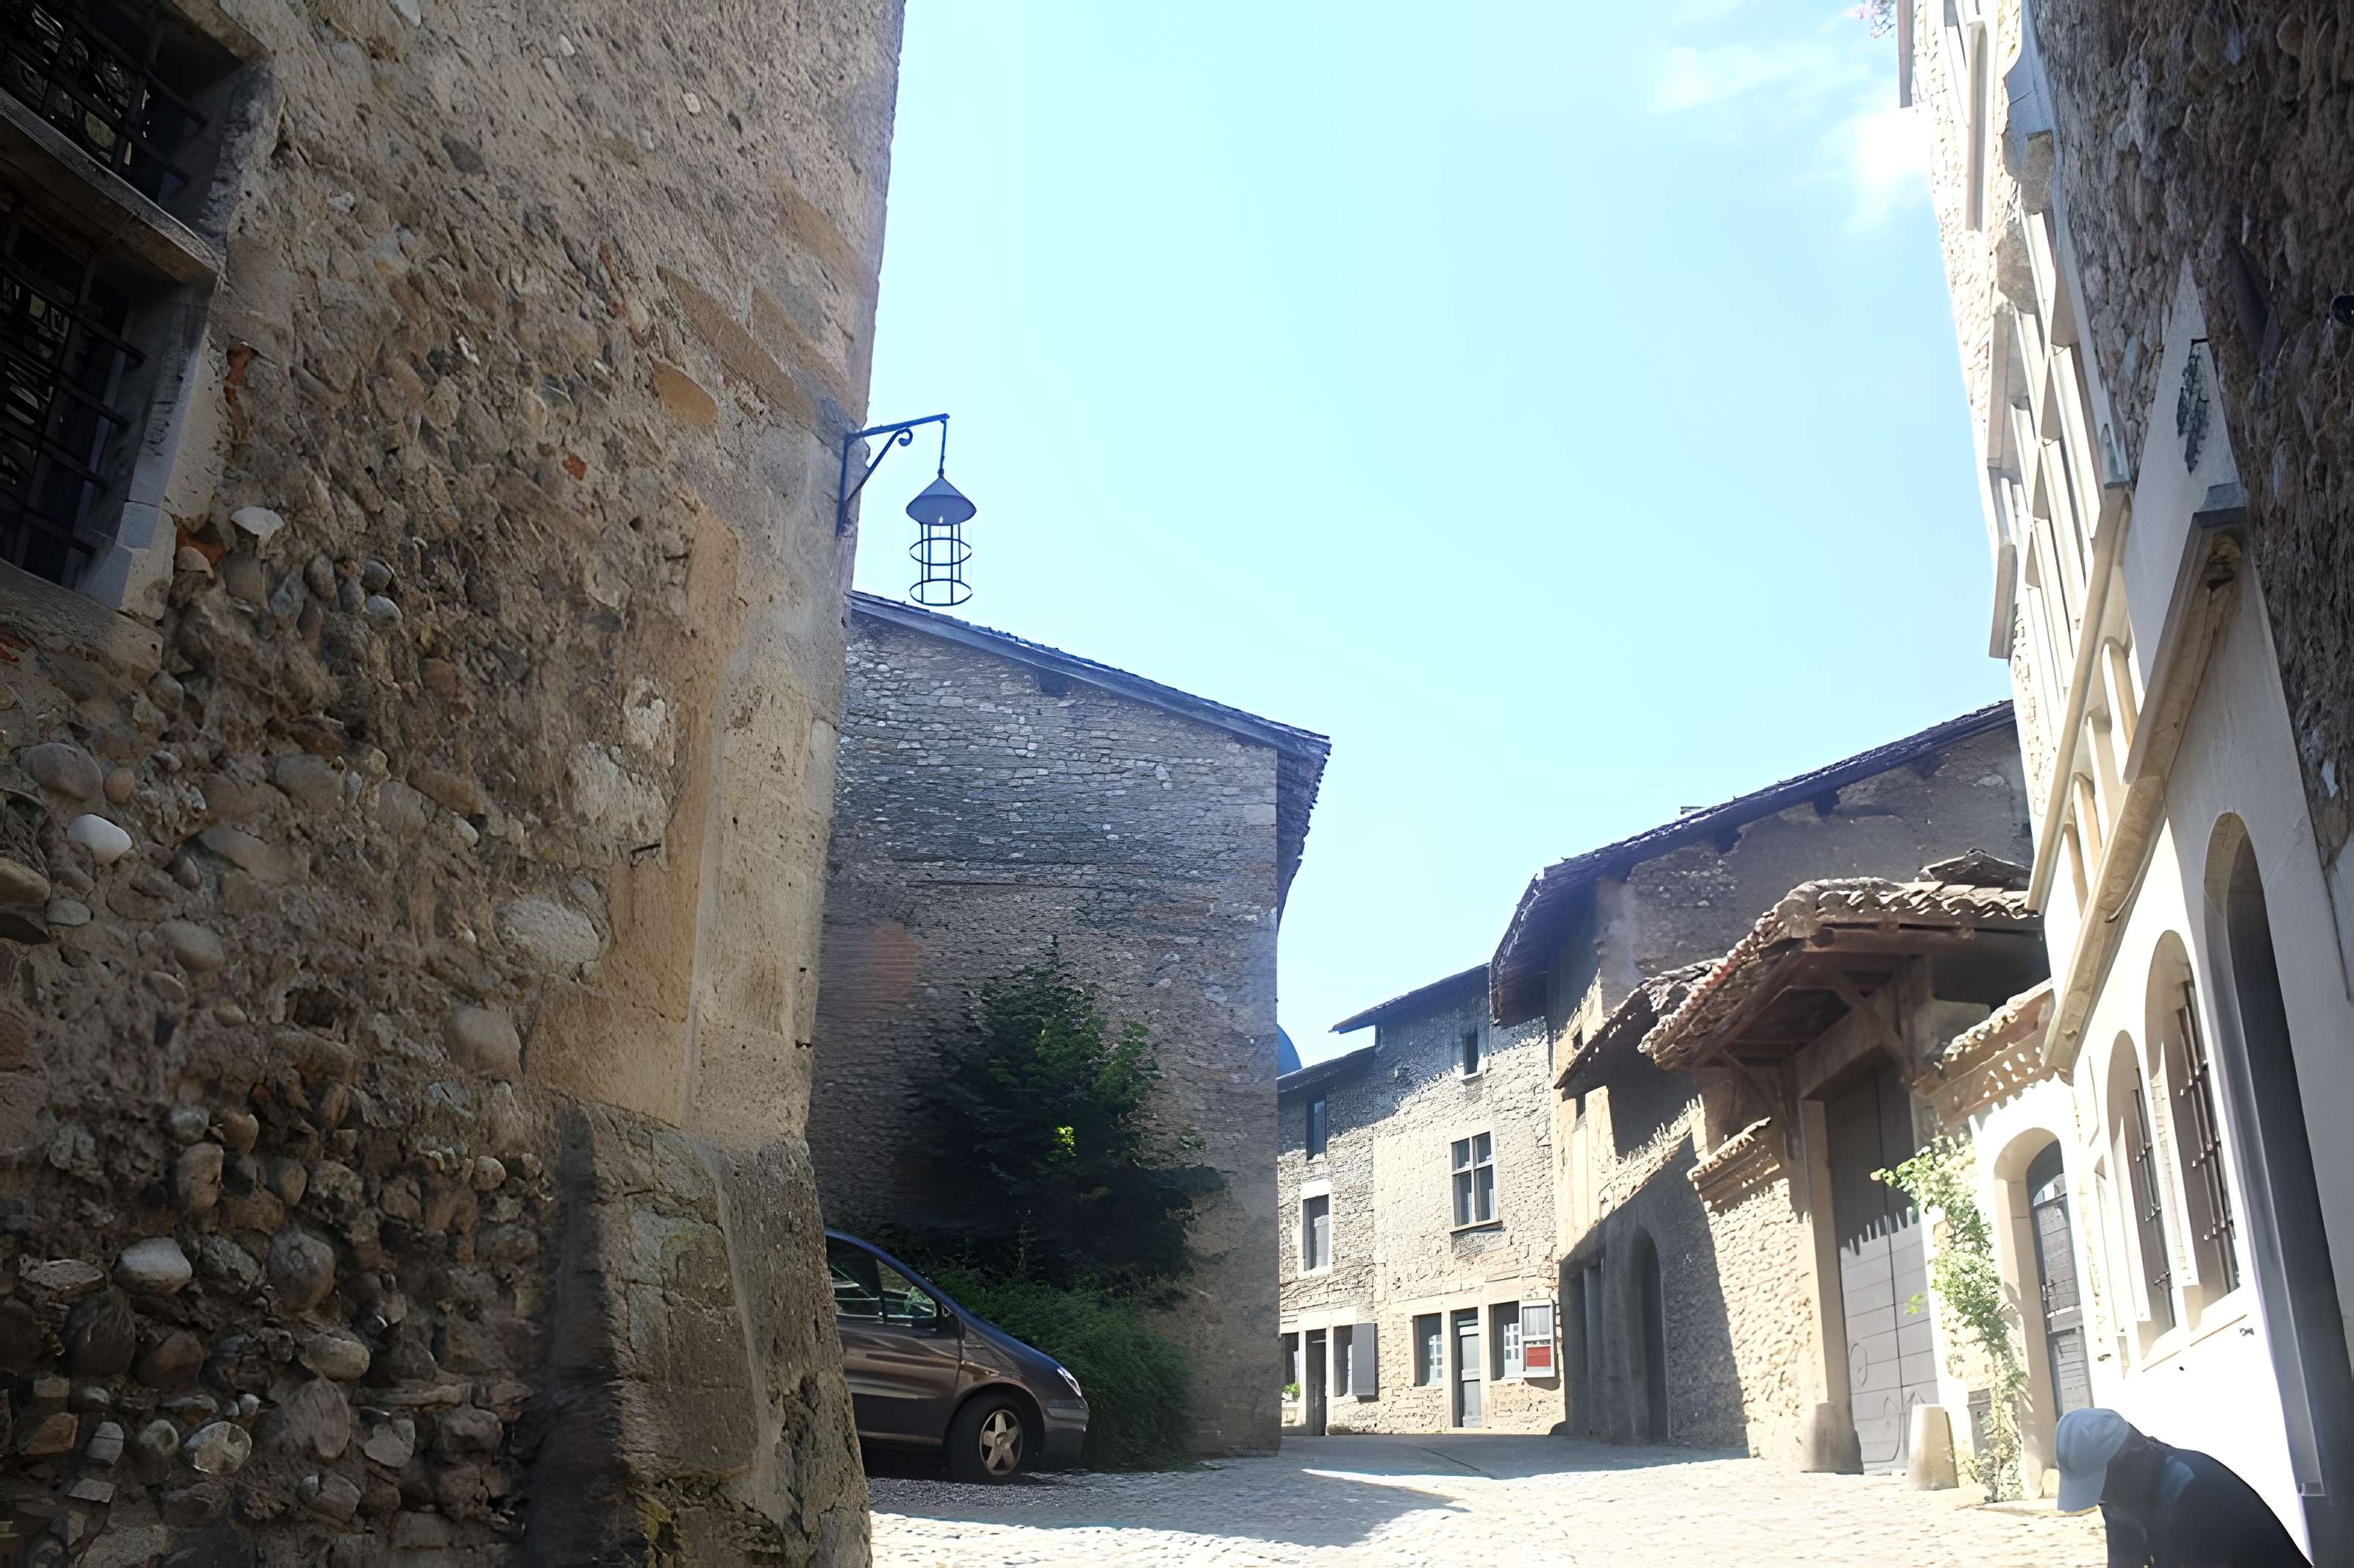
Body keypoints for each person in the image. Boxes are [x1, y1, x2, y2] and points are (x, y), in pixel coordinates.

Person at [2055, 1407, 2311, 1567]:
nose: (2104, 1498)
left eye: (2104, 1486)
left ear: (2132, 1458)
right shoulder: (2118, 1497)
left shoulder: (2193, 1490)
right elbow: (2125, 1559)